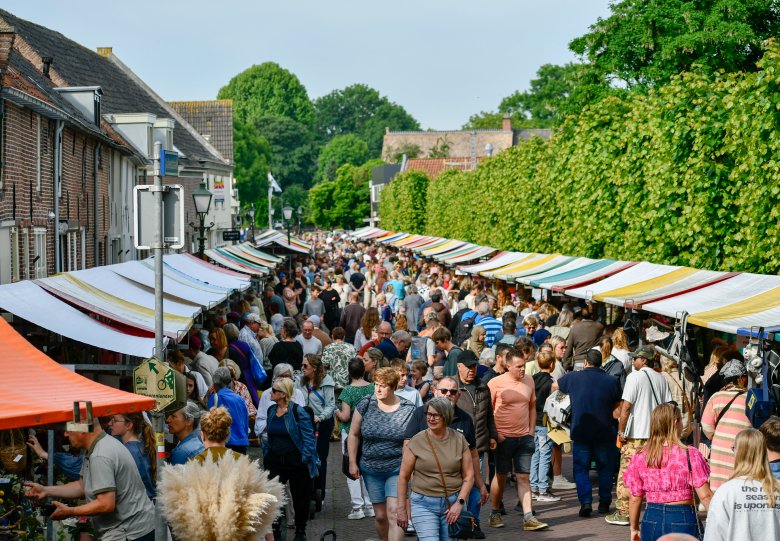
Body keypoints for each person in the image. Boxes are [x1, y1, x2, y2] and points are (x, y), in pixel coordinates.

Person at [24, 417, 156, 541]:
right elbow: (82, 486)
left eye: (69, 429)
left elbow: (105, 504)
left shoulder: (101, 454)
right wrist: (46, 490)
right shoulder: (99, 446)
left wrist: (70, 511)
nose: (65, 434)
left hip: (131, 534)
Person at [624, 403, 713, 540]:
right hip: (683, 517)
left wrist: (634, 528)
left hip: (652, 517)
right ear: (676, 422)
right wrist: (718, 521)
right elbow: (705, 496)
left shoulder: (641, 456)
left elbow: (635, 498)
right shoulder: (690, 454)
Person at [348, 367, 417, 541]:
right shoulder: (365, 403)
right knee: (380, 516)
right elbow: (353, 434)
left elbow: (413, 442)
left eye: (383, 386)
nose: (378, 389)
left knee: (394, 512)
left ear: (393, 387)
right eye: (376, 385)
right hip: (371, 467)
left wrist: (412, 469)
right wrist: (352, 462)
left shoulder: (408, 408)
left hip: (397, 468)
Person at [397, 398, 474, 541]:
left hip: (452, 503)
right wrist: (401, 508)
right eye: (428, 414)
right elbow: (403, 476)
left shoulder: (459, 440)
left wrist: (460, 503)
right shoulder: (416, 441)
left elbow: (469, 476)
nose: (430, 418)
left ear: (446, 416)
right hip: (422, 503)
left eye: (436, 415)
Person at [487, 348, 548, 531]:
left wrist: (530, 432)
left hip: (524, 438)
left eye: (524, 365)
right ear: (508, 365)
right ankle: (495, 511)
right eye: (519, 366)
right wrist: (495, 434)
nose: (523, 370)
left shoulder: (529, 380)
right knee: (501, 476)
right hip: (503, 438)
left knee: (523, 476)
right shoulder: (495, 383)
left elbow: (531, 406)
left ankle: (528, 517)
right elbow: (488, 411)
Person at [557, 348, 622, 517]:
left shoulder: (574, 377)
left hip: (581, 431)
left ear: (586, 362)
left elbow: (556, 385)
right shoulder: (611, 381)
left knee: (580, 469)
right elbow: (618, 404)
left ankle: (586, 502)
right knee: (605, 469)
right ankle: (605, 502)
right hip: (605, 431)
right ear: (602, 363)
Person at [612, 345, 672, 526]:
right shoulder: (661, 378)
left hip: (635, 434)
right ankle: (656, 508)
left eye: (635, 358)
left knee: (627, 473)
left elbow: (626, 407)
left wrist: (621, 431)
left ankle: (623, 512)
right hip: (656, 435)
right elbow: (668, 406)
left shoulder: (634, 377)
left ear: (643, 360)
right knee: (653, 472)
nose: (633, 361)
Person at [264, 377, 321, 541]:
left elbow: (309, 438)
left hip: (296, 461)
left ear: (283, 394)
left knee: (300, 498)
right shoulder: (271, 411)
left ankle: (300, 532)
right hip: (275, 460)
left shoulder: (297, 411)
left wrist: (304, 458)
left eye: (274, 390)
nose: (271, 392)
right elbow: (269, 435)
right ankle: (275, 531)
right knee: (273, 498)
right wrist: (267, 455)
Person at [703, 428, 780, 541]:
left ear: (738, 453)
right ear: (764, 452)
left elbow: (714, 535)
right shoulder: (777, 488)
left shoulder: (726, 492)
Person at [701, 359, 752, 490]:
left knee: (719, 493)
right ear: (740, 378)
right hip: (742, 451)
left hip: (719, 453)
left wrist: (718, 436)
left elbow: (706, 427)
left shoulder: (716, 397)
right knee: (739, 491)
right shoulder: (750, 399)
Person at [336, 357, 376, 520]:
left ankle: (357, 507)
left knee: (351, 466)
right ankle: (370, 505)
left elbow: (345, 417)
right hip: (368, 431)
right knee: (366, 467)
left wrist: (336, 412)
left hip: (350, 431)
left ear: (349, 372)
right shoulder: (373, 388)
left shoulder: (347, 391)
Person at [296, 354, 336, 507]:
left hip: (321, 423)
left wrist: (320, 417)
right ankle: (304, 489)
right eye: (302, 365)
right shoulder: (299, 381)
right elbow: (294, 398)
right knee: (304, 455)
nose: (302, 368)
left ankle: (319, 490)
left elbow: (330, 405)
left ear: (314, 368)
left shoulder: (326, 382)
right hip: (304, 423)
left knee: (320, 456)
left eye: (305, 366)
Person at [529, 349, 559, 502]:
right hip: (545, 421)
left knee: (535, 455)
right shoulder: (552, 383)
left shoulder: (532, 379)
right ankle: (542, 489)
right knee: (545, 455)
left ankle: (533, 487)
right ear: (552, 364)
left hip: (533, 421)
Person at [107, 413, 156, 500]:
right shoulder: (140, 445)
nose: (110, 423)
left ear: (129, 425)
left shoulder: (129, 451)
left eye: (114, 420)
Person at [207, 367, 250, 454]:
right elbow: (245, 423)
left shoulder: (214, 398)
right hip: (241, 443)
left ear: (215, 384)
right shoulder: (240, 399)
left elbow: (209, 424)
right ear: (230, 383)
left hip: (223, 443)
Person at [255, 363, 307, 435]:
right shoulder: (267, 393)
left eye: (287, 376)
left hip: (294, 435)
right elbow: (260, 419)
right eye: (281, 376)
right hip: (270, 435)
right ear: (275, 377)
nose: (284, 379)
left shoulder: (298, 393)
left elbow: (303, 419)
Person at [166, 400, 205, 465]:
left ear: (188, 421)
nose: (168, 420)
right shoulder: (199, 441)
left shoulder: (181, 452)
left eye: (173, 416)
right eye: (169, 415)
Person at [322, 326, 357, 390]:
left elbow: (324, 364)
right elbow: (355, 365)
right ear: (344, 337)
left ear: (332, 336)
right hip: (348, 384)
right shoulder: (352, 347)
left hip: (332, 384)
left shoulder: (328, 348)